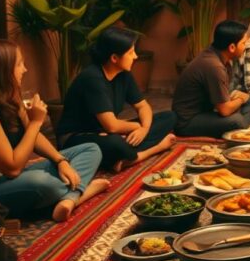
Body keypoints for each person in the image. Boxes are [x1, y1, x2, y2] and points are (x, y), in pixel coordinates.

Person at [0, 40, 108, 223]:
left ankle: (70, 198)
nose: (25, 69)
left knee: (91, 149)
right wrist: (36, 122)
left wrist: (61, 161)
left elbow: (34, 138)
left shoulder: (9, 96)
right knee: (42, 182)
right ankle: (80, 193)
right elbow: (12, 169)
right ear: (2, 71)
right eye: (19, 64)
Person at [57, 28, 177, 172]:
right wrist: (136, 128)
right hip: (77, 138)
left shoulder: (123, 74)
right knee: (116, 143)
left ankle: (123, 156)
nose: (136, 57)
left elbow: (143, 107)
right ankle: (152, 149)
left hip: (106, 132)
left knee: (169, 117)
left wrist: (144, 129)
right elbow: (112, 126)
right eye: (131, 52)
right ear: (114, 58)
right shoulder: (93, 78)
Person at [172, 20, 250, 138]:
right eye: (244, 43)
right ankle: (242, 128)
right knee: (237, 120)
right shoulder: (214, 66)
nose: (246, 47)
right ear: (232, 47)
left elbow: (223, 99)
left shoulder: (217, 55)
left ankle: (242, 128)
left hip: (207, 113)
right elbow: (225, 110)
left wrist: (236, 98)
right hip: (187, 122)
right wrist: (242, 99)